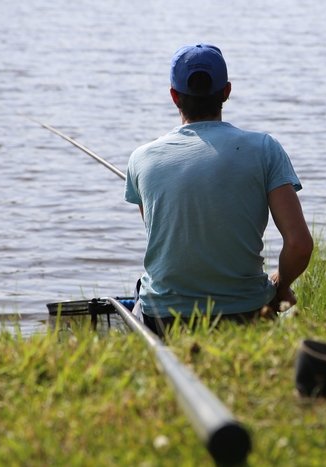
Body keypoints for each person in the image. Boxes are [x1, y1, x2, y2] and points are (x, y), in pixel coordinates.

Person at [125, 43, 313, 336]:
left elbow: (164, 239)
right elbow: (300, 245)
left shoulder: (141, 158)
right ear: (226, 91)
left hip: (164, 319)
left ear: (174, 96)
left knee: (140, 291)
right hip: (246, 313)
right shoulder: (265, 149)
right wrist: (280, 285)